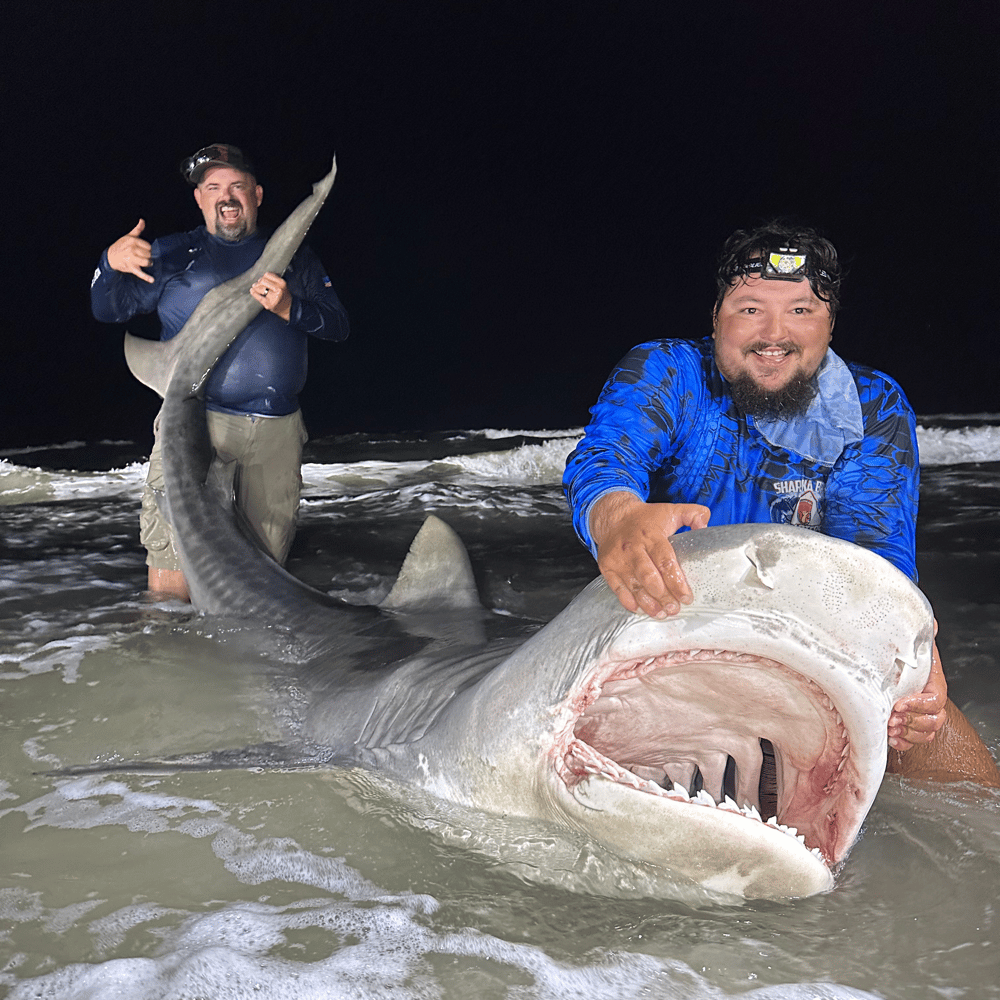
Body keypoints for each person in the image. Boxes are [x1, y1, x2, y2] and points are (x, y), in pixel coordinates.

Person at [564, 222, 1000, 786]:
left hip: (808, 638)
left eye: (801, 310)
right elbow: (605, 458)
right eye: (750, 309)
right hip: (668, 628)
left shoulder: (872, 405)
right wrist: (618, 516)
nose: (774, 333)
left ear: (830, 324)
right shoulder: (670, 372)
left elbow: (879, 554)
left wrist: (914, 648)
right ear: (717, 314)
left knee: (944, 753)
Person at [91, 143, 349, 601]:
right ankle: (170, 668)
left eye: (237, 186)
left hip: (275, 432)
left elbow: (338, 325)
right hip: (195, 426)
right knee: (171, 578)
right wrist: (108, 265)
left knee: (262, 588)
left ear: (258, 194)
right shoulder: (172, 254)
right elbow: (109, 309)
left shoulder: (297, 259)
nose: (225, 196)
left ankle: (238, 674)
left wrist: (291, 308)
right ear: (199, 199)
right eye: (212, 188)